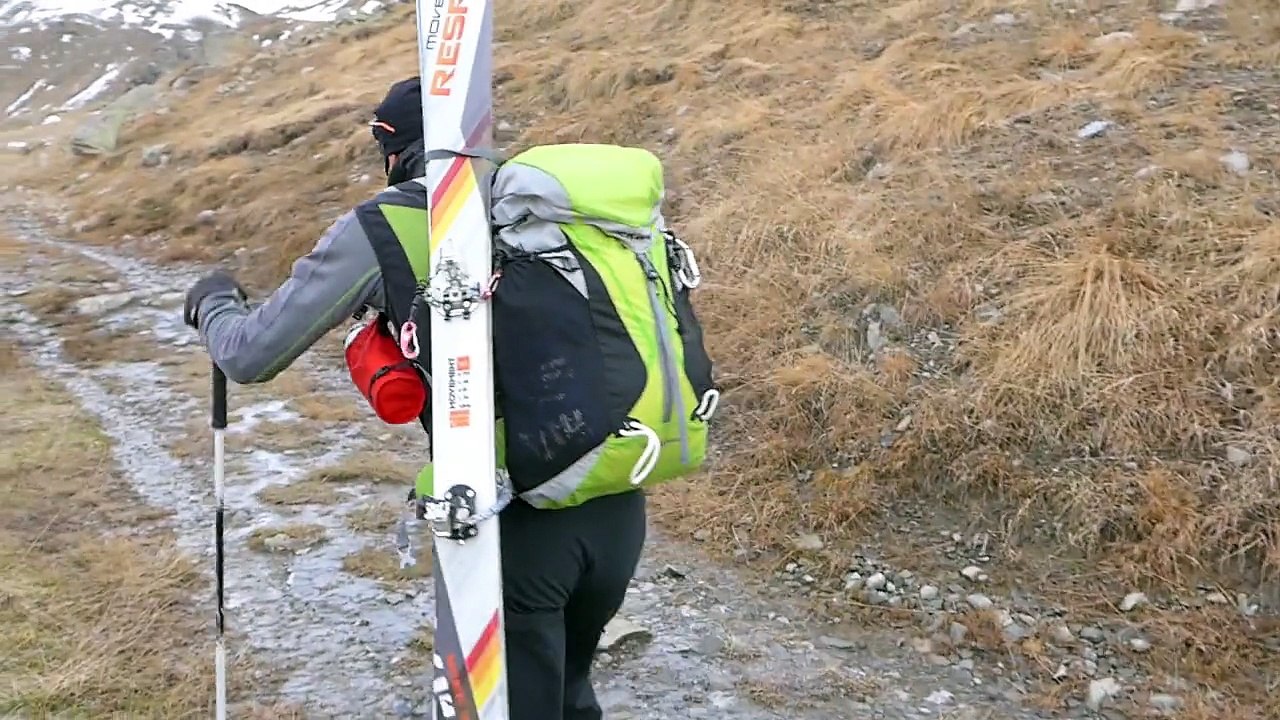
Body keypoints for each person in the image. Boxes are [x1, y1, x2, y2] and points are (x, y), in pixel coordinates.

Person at [183, 76, 647, 720]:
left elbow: (249, 353)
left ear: (392, 147)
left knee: (507, 706)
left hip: (508, 516)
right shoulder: (548, 207)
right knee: (564, 693)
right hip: (615, 496)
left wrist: (212, 305)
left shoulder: (391, 222)